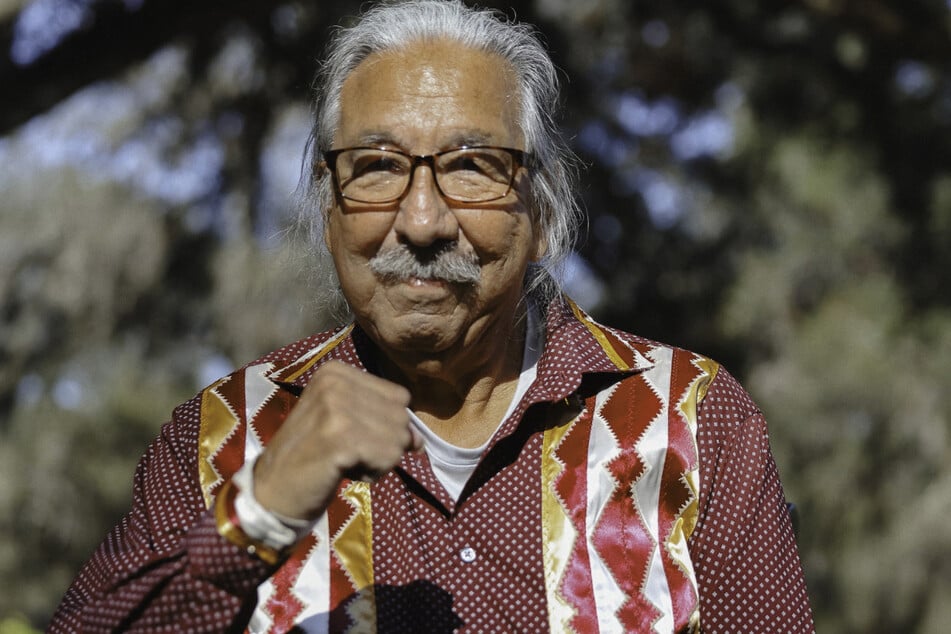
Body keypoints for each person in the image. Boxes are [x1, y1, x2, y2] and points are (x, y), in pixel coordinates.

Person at [50, 1, 814, 632]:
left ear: (541, 214)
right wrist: (256, 517)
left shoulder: (689, 419)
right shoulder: (224, 435)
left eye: (471, 167)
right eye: (377, 167)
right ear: (328, 212)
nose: (420, 222)